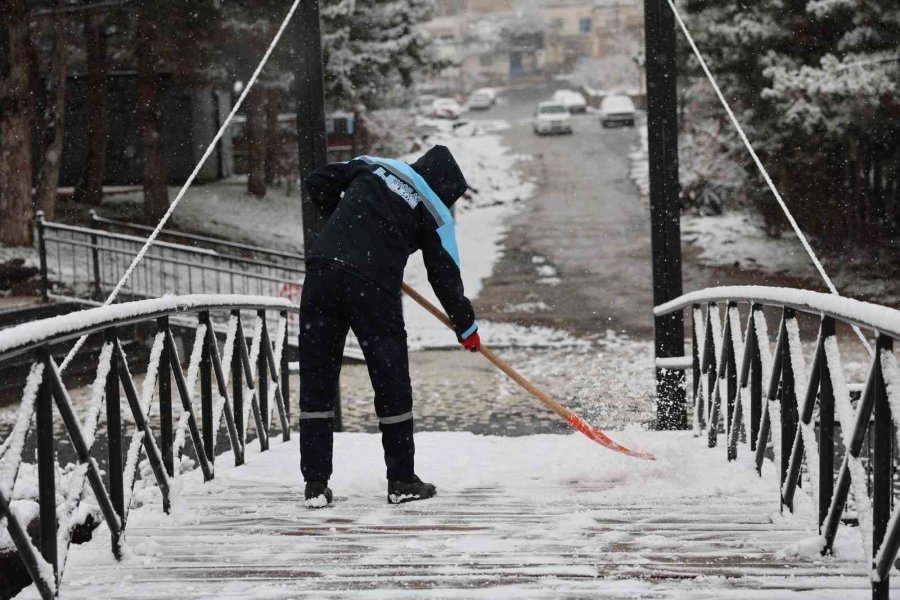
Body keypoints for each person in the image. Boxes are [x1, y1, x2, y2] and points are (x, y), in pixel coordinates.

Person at [299, 145, 481, 507]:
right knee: (391, 380)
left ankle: (315, 484)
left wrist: (349, 228)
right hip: (373, 286)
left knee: (317, 379)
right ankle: (400, 480)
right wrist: (466, 326)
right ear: (445, 190)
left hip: (322, 273)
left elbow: (317, 181)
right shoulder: (435, 212)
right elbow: (445, 275)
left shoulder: (373, 166)